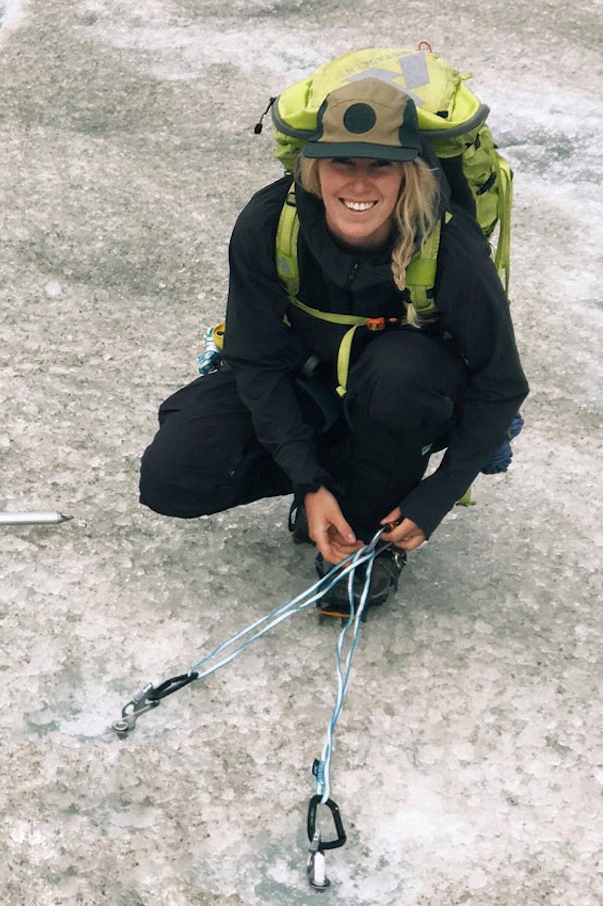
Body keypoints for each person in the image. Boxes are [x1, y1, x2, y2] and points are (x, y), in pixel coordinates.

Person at [137, 77, 528, 616]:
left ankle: (368, 531)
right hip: (310, 388)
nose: (360, 183)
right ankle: (334, 490)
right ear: (313, 168)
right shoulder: (271, 222)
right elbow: (255, 359)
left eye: (380, 164)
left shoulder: (450, 244)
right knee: (174, 476)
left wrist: (437, 495)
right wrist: (309, 481)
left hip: (405, 399)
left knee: (401, 371)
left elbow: (500, 383)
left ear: (409, 170)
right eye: (342, 162)